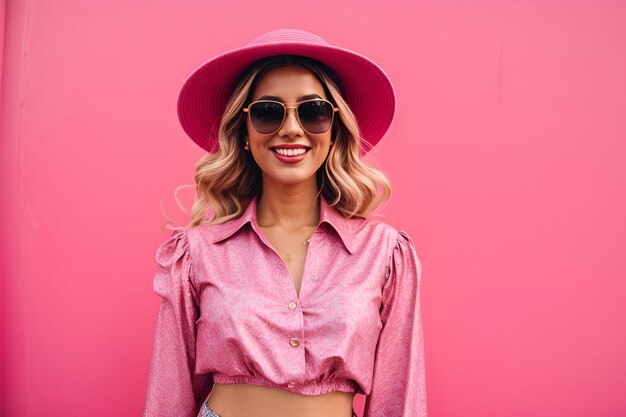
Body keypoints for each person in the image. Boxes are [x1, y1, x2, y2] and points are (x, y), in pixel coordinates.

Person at [144, 29, 427, 417]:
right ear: (244, 132)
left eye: (313, 112)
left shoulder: (385, 253)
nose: (291, 128)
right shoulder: (196, 254)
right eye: (267, 112)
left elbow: (401, 396)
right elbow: (169, 395)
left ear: (335, 129)